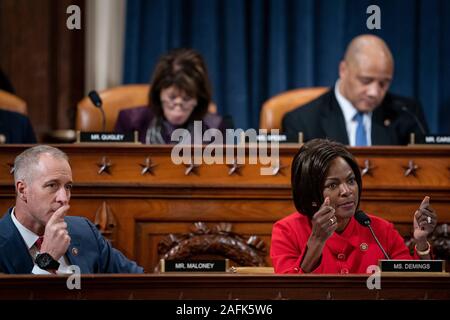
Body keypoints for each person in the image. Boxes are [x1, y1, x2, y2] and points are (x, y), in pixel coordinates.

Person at [270, 139, 438, 274]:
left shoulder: (379, 230)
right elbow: (289, 291)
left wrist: (421, 242)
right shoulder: (288, 231)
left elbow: (412, 285)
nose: (347, 191)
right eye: (332, 185)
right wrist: (317, 240)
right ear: (311, 192)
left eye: (351, 181)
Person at [0, 145, 144, 274]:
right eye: (52, 185)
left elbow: (138, 283)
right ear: (22, 190)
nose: (63, 198)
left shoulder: (85, 230)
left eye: (68, 187)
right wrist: (47, 261)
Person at [282, 34, 428, 145]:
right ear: (343, 70)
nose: (374, 92)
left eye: (383, 83)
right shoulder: (302, 122)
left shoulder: (407, 114)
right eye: (366, 81)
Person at [115, 48, 228, 144]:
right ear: (159, 93)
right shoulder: (130, 121)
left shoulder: (216, 127)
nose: (178, 107)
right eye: (172, 97)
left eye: (186, 99)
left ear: (199, 98)